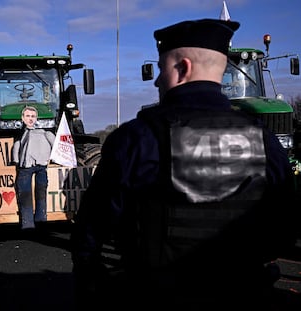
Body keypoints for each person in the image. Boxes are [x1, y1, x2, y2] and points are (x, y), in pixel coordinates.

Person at [70, 18, 298, 310]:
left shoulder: (134, 139)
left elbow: (92, 232)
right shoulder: (264, 140)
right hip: (243, 296)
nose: (156, 81)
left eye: (161, 68)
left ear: (182, 68)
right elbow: (284, 230)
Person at [12, 106, 55, 230]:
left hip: (42, 164)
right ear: (22, 118)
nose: (30, 119)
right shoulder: (22, 133)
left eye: (33, 116)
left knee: (41, 191)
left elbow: (54, 144)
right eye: (27, 116)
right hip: (26, 165)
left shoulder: (45, 132)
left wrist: (55, 157)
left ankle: (41, 219)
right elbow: (17, 146)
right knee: (25, 193)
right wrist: (15, 160)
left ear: (36, 118)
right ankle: (28, 223)